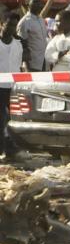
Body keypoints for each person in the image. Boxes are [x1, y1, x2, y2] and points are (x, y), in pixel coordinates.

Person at [0, 14, 23, 158]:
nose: (12, 28)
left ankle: (10, 149)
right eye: (9, 24)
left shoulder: (18, 45)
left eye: (14, 25)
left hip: (12, 87)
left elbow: (18, 66)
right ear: (2, 24)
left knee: (13, 119)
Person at [17, 0, 47, 72]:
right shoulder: (25, 22)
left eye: (39, 2)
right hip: (32, 64)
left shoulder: (41, 20)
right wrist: (27, 66)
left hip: (44, 61)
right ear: (27, 4)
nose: (39, 4)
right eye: (35, 2)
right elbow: (21, 45)